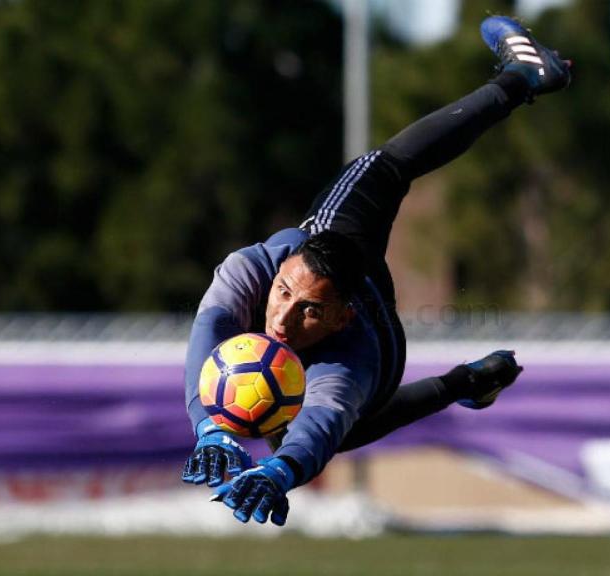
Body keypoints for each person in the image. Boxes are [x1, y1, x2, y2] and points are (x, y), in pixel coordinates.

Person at [181, 15, 571, 526]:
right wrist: (209, 426)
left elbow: (320, 425)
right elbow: (210, 329)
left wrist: (281, 471)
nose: (282, 319)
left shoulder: (347, 361)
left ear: (338, 318)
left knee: (332, 424)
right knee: (381, 169)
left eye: (308, 311)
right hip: (355, 298)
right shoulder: (255, 267)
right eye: (282, 294)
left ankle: (523, 76)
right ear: (277, 273)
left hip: (377, 351)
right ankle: (463, 384)